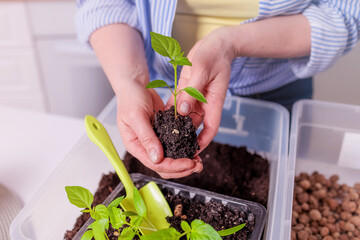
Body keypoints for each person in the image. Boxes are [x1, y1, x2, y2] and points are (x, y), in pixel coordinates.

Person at [75, 0, 360, 179]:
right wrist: (132, 81)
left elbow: (346, 14)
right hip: (161, 87)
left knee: (276, 176)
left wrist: (232, 42)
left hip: (274, 88)